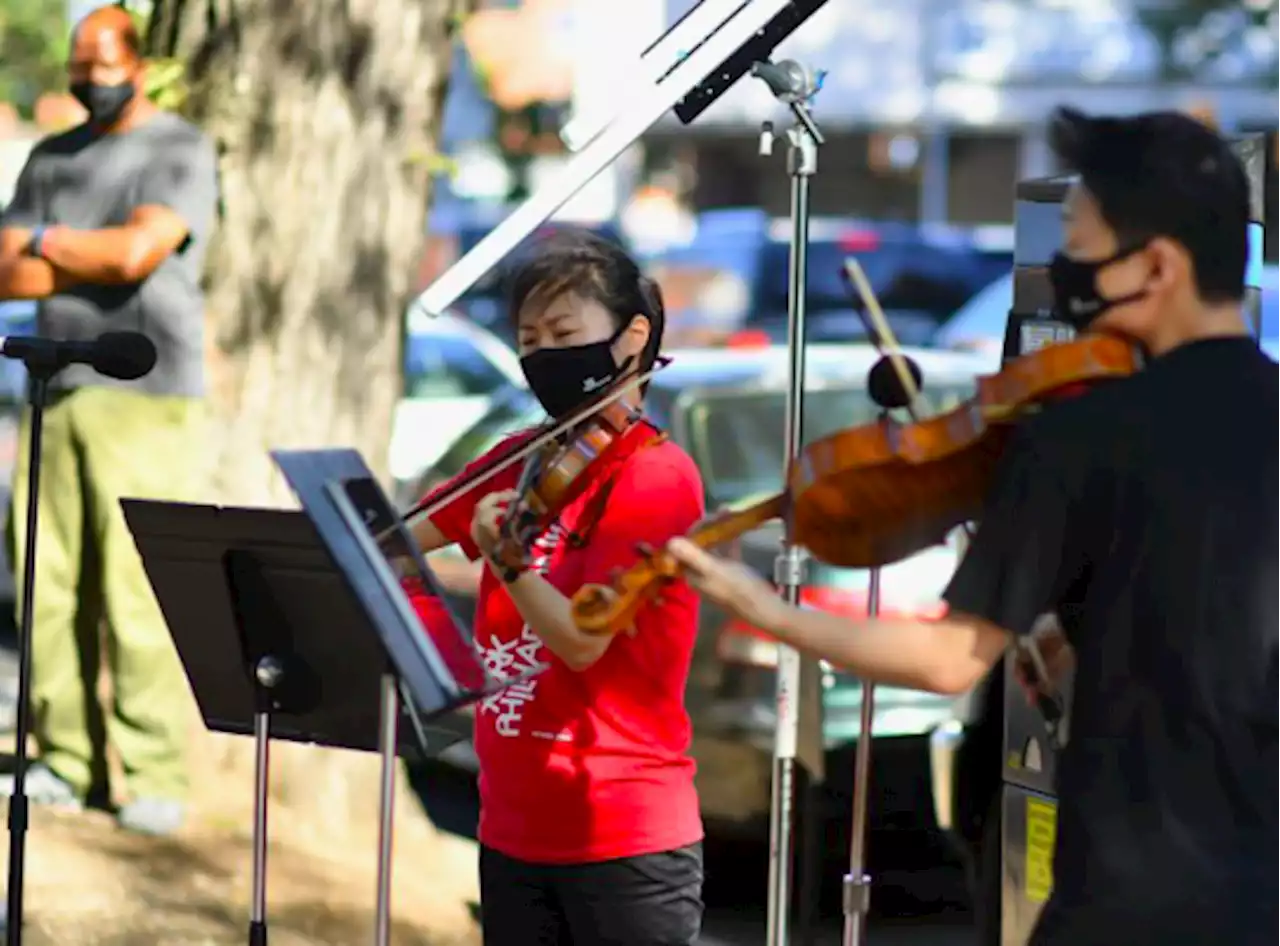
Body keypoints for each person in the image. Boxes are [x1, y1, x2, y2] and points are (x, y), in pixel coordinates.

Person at [665, 107, 1280, 946]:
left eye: (1082, 248)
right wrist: (1086, 635)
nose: (1066, 270)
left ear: (1159, 266)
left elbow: (947, 659)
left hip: (1133, 897)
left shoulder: (1076, 430)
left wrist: (762, 606)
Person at [407, 229, 706, 945]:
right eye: (529, 340)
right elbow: (395, 542)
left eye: (564, 334)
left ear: (633, 338)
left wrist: (506, 564)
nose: (543, 356)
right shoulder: (524, 457)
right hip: (512, 822)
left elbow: (581, 640)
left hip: (620, 832)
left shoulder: (654, 477)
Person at [0, 5, 219, 835]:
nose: (92, 77)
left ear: (137, 60)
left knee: (137, 590)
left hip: (148, 395)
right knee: (45, 580)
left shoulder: (178, 150)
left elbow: (139, 255)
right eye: (79, 65)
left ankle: (154, 770)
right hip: (51, 387)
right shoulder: (51, 155)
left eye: (105, 61)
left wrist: (49, 239)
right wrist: (81, 249)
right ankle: (65, 757)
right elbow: (6, 272)